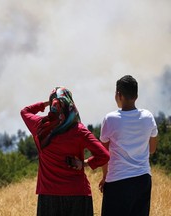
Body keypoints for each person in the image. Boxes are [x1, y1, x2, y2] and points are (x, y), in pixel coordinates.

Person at [20, 86, 110, 216]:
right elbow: (104, 155)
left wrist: (46, 103)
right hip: (78, 194)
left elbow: (25, 111)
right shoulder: (79, 130)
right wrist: (84, 163)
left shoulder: (40, 126)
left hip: (48, 195)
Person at [99, 75, 158, 216]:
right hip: (143, 180)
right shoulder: (148, 117)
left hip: (117, 182)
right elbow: (152, 149)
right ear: (136, 95)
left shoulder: (110, 119)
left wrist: (105, 176)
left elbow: (103, 153)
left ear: (118, 95)